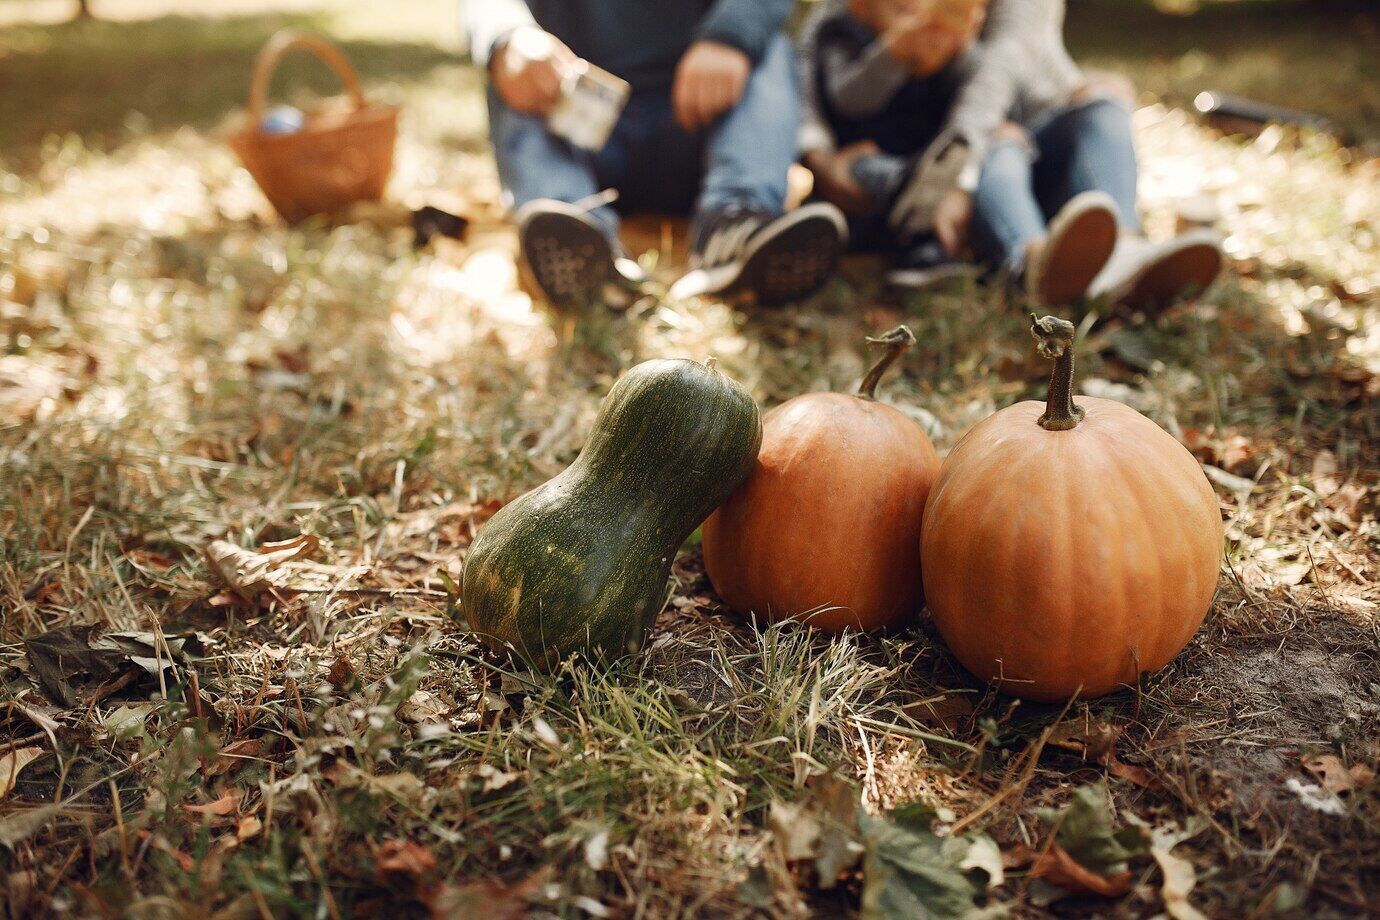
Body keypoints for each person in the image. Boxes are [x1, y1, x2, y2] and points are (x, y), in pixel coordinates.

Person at [802, 0, 1224, 313]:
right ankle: (1036, 262)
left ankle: (1125, 252)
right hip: (972, 154)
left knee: (1103, 107)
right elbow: (831, 82)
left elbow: (996, 72)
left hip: (1013, 131)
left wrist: (957, 55)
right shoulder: (843, 28)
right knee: (999, 145)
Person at [465, 0, 848, 307]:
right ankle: (574, 233)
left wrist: (730, 38)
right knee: (513, 66)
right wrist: (509, 36)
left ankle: (735, 227)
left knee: (766, 48)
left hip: (701, 127)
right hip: (577, 126)